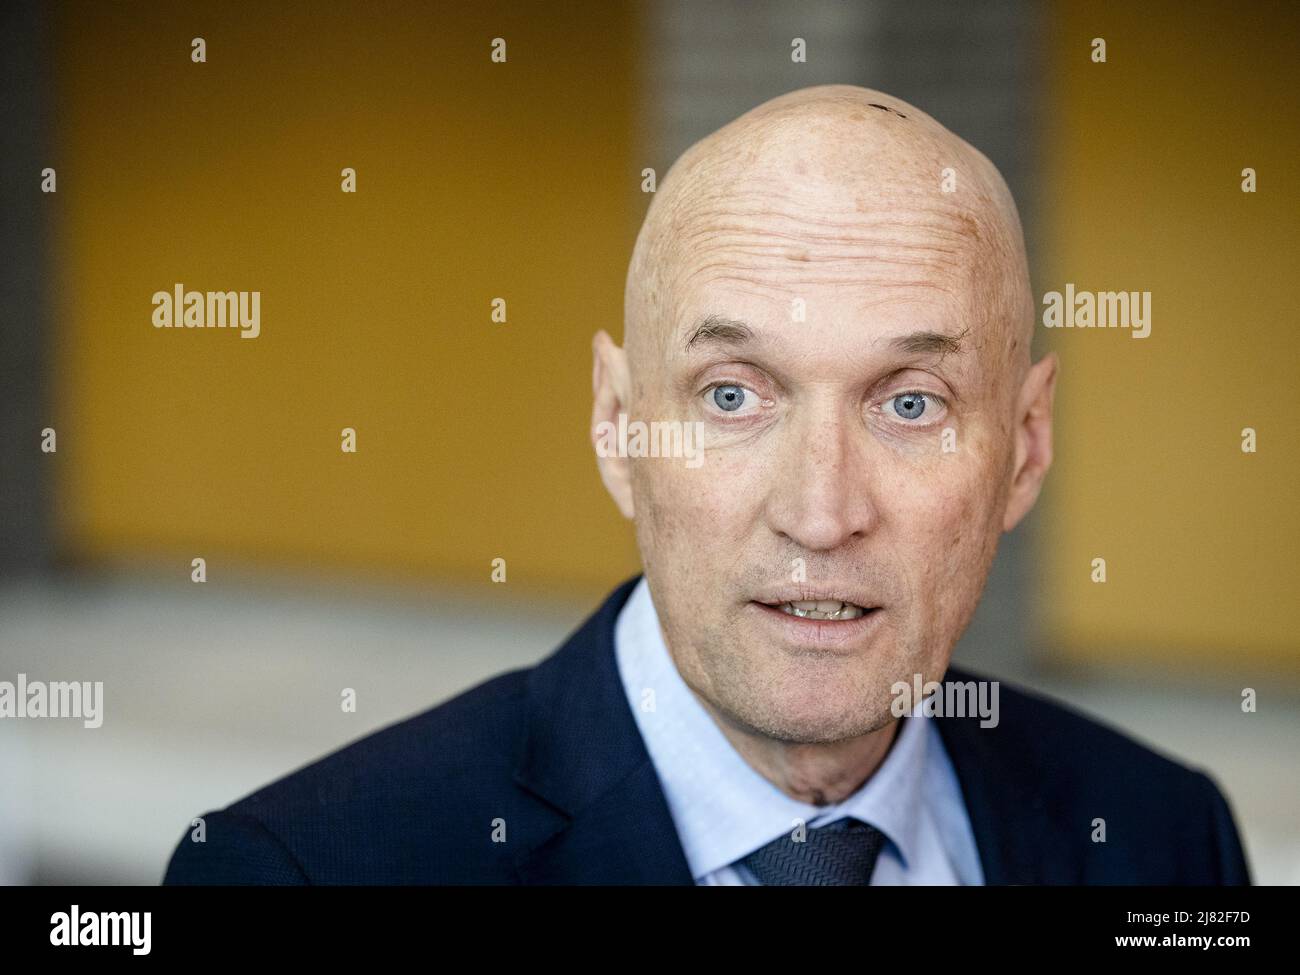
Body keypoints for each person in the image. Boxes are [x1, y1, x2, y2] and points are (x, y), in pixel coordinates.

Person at [163, 85, 1251, 885]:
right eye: (733, 396)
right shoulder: (304, 872)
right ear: (616, 423)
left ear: (1024, 447)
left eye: (908, 402)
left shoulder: (1162, 839)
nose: (819, 513)